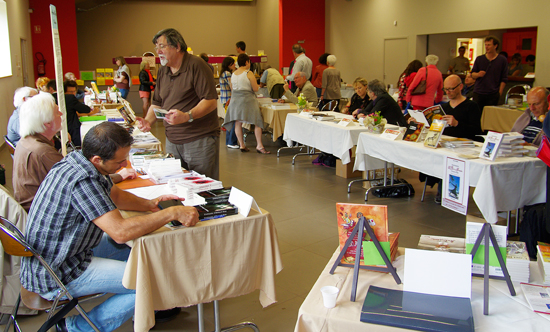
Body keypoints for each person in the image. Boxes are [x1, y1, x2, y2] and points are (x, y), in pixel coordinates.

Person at [20, 121, 199, 332]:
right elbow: (120, 232)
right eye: (120, 161)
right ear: (97, 159)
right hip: (58, 271)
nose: (124, 166)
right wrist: (171, 212)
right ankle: (76, 328)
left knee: (145, 254)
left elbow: (113, 194)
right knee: (151, 280)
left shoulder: (78, 160)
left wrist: (150, 204)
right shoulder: (83, 180)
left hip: (64, 253)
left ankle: (151, 305)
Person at [13, 94, 137, 212]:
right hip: (44, 208)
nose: (61, 114)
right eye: (57, 112)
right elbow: (83, 181)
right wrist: (119, 176)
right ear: (47, 123)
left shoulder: (27, 141)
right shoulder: (43, 152)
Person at [136, 28, 220, 179]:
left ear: (177, 46)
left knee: (202, 188)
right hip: (172, 140)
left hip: (198, 140)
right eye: (157, 47)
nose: (158, 51)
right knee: (177, 185)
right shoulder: (163, 71)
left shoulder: (196, 65)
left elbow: (210, 101)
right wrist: (148, 121)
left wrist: (187, 116)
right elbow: (157, 103)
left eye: (162, 46)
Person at [223, 54, 270, 154]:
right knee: (257, 121)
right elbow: (255, 89)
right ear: (246, 62)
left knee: (238, 122)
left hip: (236, 101)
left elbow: (232, 88)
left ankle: (242, 144)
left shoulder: (234, 74)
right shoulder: (249, 73)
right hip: (248, 100)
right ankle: (259, 145)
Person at [471, 36, 508, 113]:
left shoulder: (502, 60)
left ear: (495, 46)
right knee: (476, 114)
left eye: (489, 45)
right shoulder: (479, 59)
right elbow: (472, 74)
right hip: (479, 92)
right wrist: (478, 74)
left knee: (490, 115)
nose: (487, 47)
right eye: (486, 45)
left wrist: (499, 93)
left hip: (493, 93)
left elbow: (504, 78)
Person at [440, 75, 483, 140]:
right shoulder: (443, 107)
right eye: (445, 89)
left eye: (451, 89)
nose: (448, 92)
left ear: (460, 87)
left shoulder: (471, 106)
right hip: (444, 141)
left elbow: (476, 130)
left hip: (464, 143)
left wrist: (457, 124)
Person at [219, 56, 239, 149]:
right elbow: (232, 86)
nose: (235, 65)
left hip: (225, 99)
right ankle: (232, 141)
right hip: (229, 99)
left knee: (229, 120)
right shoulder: (227, 74)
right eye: (233, 63)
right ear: (229, 65)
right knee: (233, 120)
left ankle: (229, 141)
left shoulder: (223, 73)